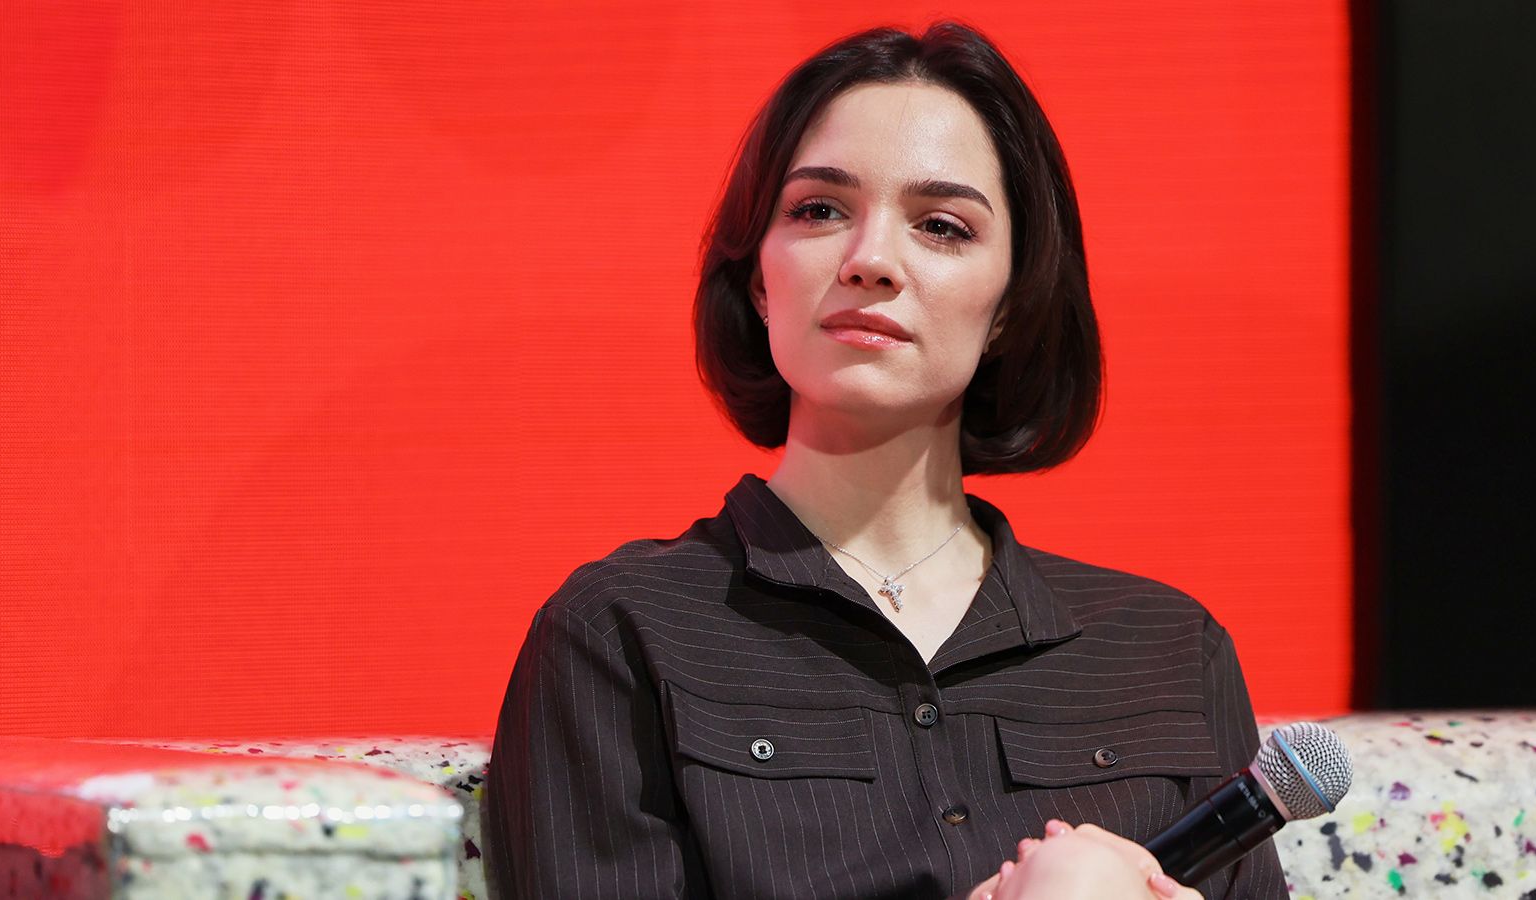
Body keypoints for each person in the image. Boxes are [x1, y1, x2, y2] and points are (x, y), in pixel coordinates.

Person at [485, 22, 1286, 900]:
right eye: (819, 211)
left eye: (941, 226)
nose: (869, 261)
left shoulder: (1168, 650)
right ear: (758, 279)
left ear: (1011, 305)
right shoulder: (620, 633)